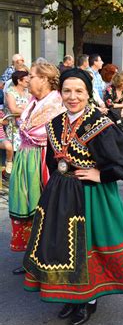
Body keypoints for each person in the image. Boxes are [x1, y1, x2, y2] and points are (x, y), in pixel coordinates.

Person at [23, 68, 123, 325]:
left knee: (87, 248)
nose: (72, 97)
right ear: (60, 92)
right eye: (67, 91)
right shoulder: (55, 122)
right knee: (62, 246)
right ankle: (70, 296)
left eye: (79, 91)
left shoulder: (100, 124)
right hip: (59, 193)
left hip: (91, 196)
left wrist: (102, 174)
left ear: (89, 93)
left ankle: (88, 301)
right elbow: (52, 162)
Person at [8, 63, 65, 274]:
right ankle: (32, 256)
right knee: (28, 208)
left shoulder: (57, 103)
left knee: (44, 208)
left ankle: (47, 258)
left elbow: (49, 135)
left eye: (31, 76)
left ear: (44, 79)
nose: (27, 80)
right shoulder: (34, 102)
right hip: (27, 158)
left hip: (44, 161)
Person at [4, 70, 30, 152]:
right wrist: (27, 110)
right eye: (26, 81)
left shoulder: (28, 91)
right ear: (19, 81)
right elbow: (13, 109)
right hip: (14, 126)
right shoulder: (10, 92)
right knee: (16, 148)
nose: (28, 82)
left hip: (26, 125)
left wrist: (23, 109)